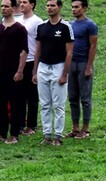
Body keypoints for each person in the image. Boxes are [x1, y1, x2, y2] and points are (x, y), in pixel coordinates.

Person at [0, 0, 28, 144]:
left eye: (6, 6)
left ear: (14, 8)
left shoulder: (19, 29)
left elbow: (24, 51)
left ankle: (14, 134)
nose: (3, 9)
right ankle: (2, 133)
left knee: (15, 102)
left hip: (13, 71)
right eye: (2, 6)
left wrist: (20, 70)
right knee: (0, 103)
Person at [32, 0, 74, 146]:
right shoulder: (41, 27)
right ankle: (47, 134)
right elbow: (38, 49)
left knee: (58, 104)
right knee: (44, 104)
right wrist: (35, 71)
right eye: (48, 5)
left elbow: (69, 52)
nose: (49, 8)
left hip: (58, 66)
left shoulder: (65, 27)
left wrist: (64, 73)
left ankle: (58, 135)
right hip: (43, 67)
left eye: (52, 5)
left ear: (59, 7)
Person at [66, 0, 97, 139]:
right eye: (72, 7)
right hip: (72, 63)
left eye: (77, 7)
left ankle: (85, 128)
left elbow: (93, 46)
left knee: (85, 98)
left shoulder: (90, 25)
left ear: (84, 8)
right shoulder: (70, 25)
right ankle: (75, 127)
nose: (74, 10)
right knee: (72, 97)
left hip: (84, 63)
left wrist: (89, 66)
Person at [17, 0, 44, 136]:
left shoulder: (37, 21)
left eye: (25, 2)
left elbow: (40, 44)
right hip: (18, 61)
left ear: (32, 5)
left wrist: (35, 67)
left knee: (32, 95)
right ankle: (20, 123)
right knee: (19, 95)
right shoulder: (18, 21)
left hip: (32, 60)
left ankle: (32, 125)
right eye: (20, 2)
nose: (21, 4)